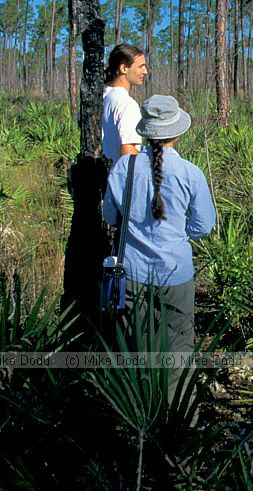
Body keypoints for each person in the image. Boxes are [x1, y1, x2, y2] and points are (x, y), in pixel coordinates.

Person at [103, 95, 216, 398]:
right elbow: (203, 226)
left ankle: (136, 423)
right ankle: (177, 426)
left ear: (146, 131)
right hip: (176, 274)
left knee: (133, 349)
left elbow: (110, 217)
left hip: (132, 275)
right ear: (177, 132)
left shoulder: (123, 168)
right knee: (178, 350)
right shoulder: (191, 173)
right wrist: (177, 235)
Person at [101, 43, 148, 167]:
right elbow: (128, 153)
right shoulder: (127, 104)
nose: (145, 71)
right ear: (123, 68)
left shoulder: (100, 96)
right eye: (141, 66)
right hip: (119, 180)